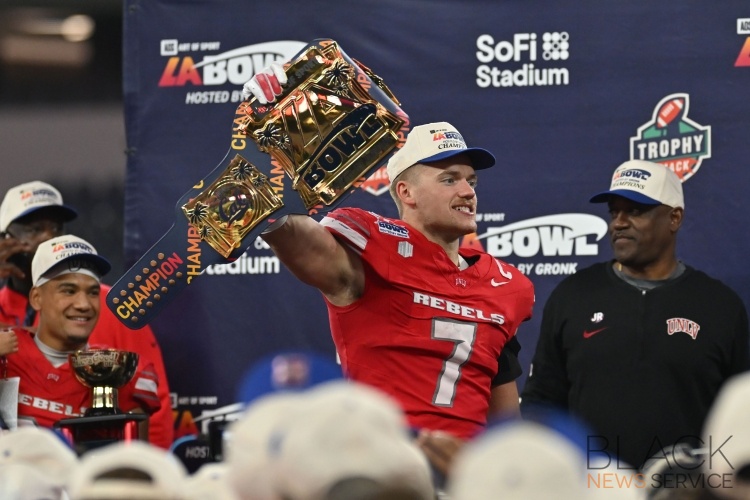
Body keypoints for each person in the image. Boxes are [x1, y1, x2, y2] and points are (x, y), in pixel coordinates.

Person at [245, 71, 534, 446]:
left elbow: (506, 420)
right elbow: (300, 243)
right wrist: (264, 163)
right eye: (449, 179)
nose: (467, 191)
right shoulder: (371, 246)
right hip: (383, 462)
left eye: (471, 181)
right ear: (406, 192)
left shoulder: (506, 286)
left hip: (465, 472)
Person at [520, 159, 750, 469]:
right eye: (614, 212)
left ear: (674, 218)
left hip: (686, 490)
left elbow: (741, 414)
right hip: (593, 489)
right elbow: (542, 404)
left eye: (636, 211)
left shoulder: (720, 306)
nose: (619, 222)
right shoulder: (573, 296)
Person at [0, 180, 174, 448]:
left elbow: (153, 421)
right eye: (34, 229)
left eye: (56, 228)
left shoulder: (115, 306)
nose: (47, 237)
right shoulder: (9, 349)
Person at [3, 234, 161, 433]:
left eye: (93, 292)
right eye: (68, 291)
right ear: (36, 298)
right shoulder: (6, 355)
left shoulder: (119, 371)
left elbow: (133, 458)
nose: (83, 305)